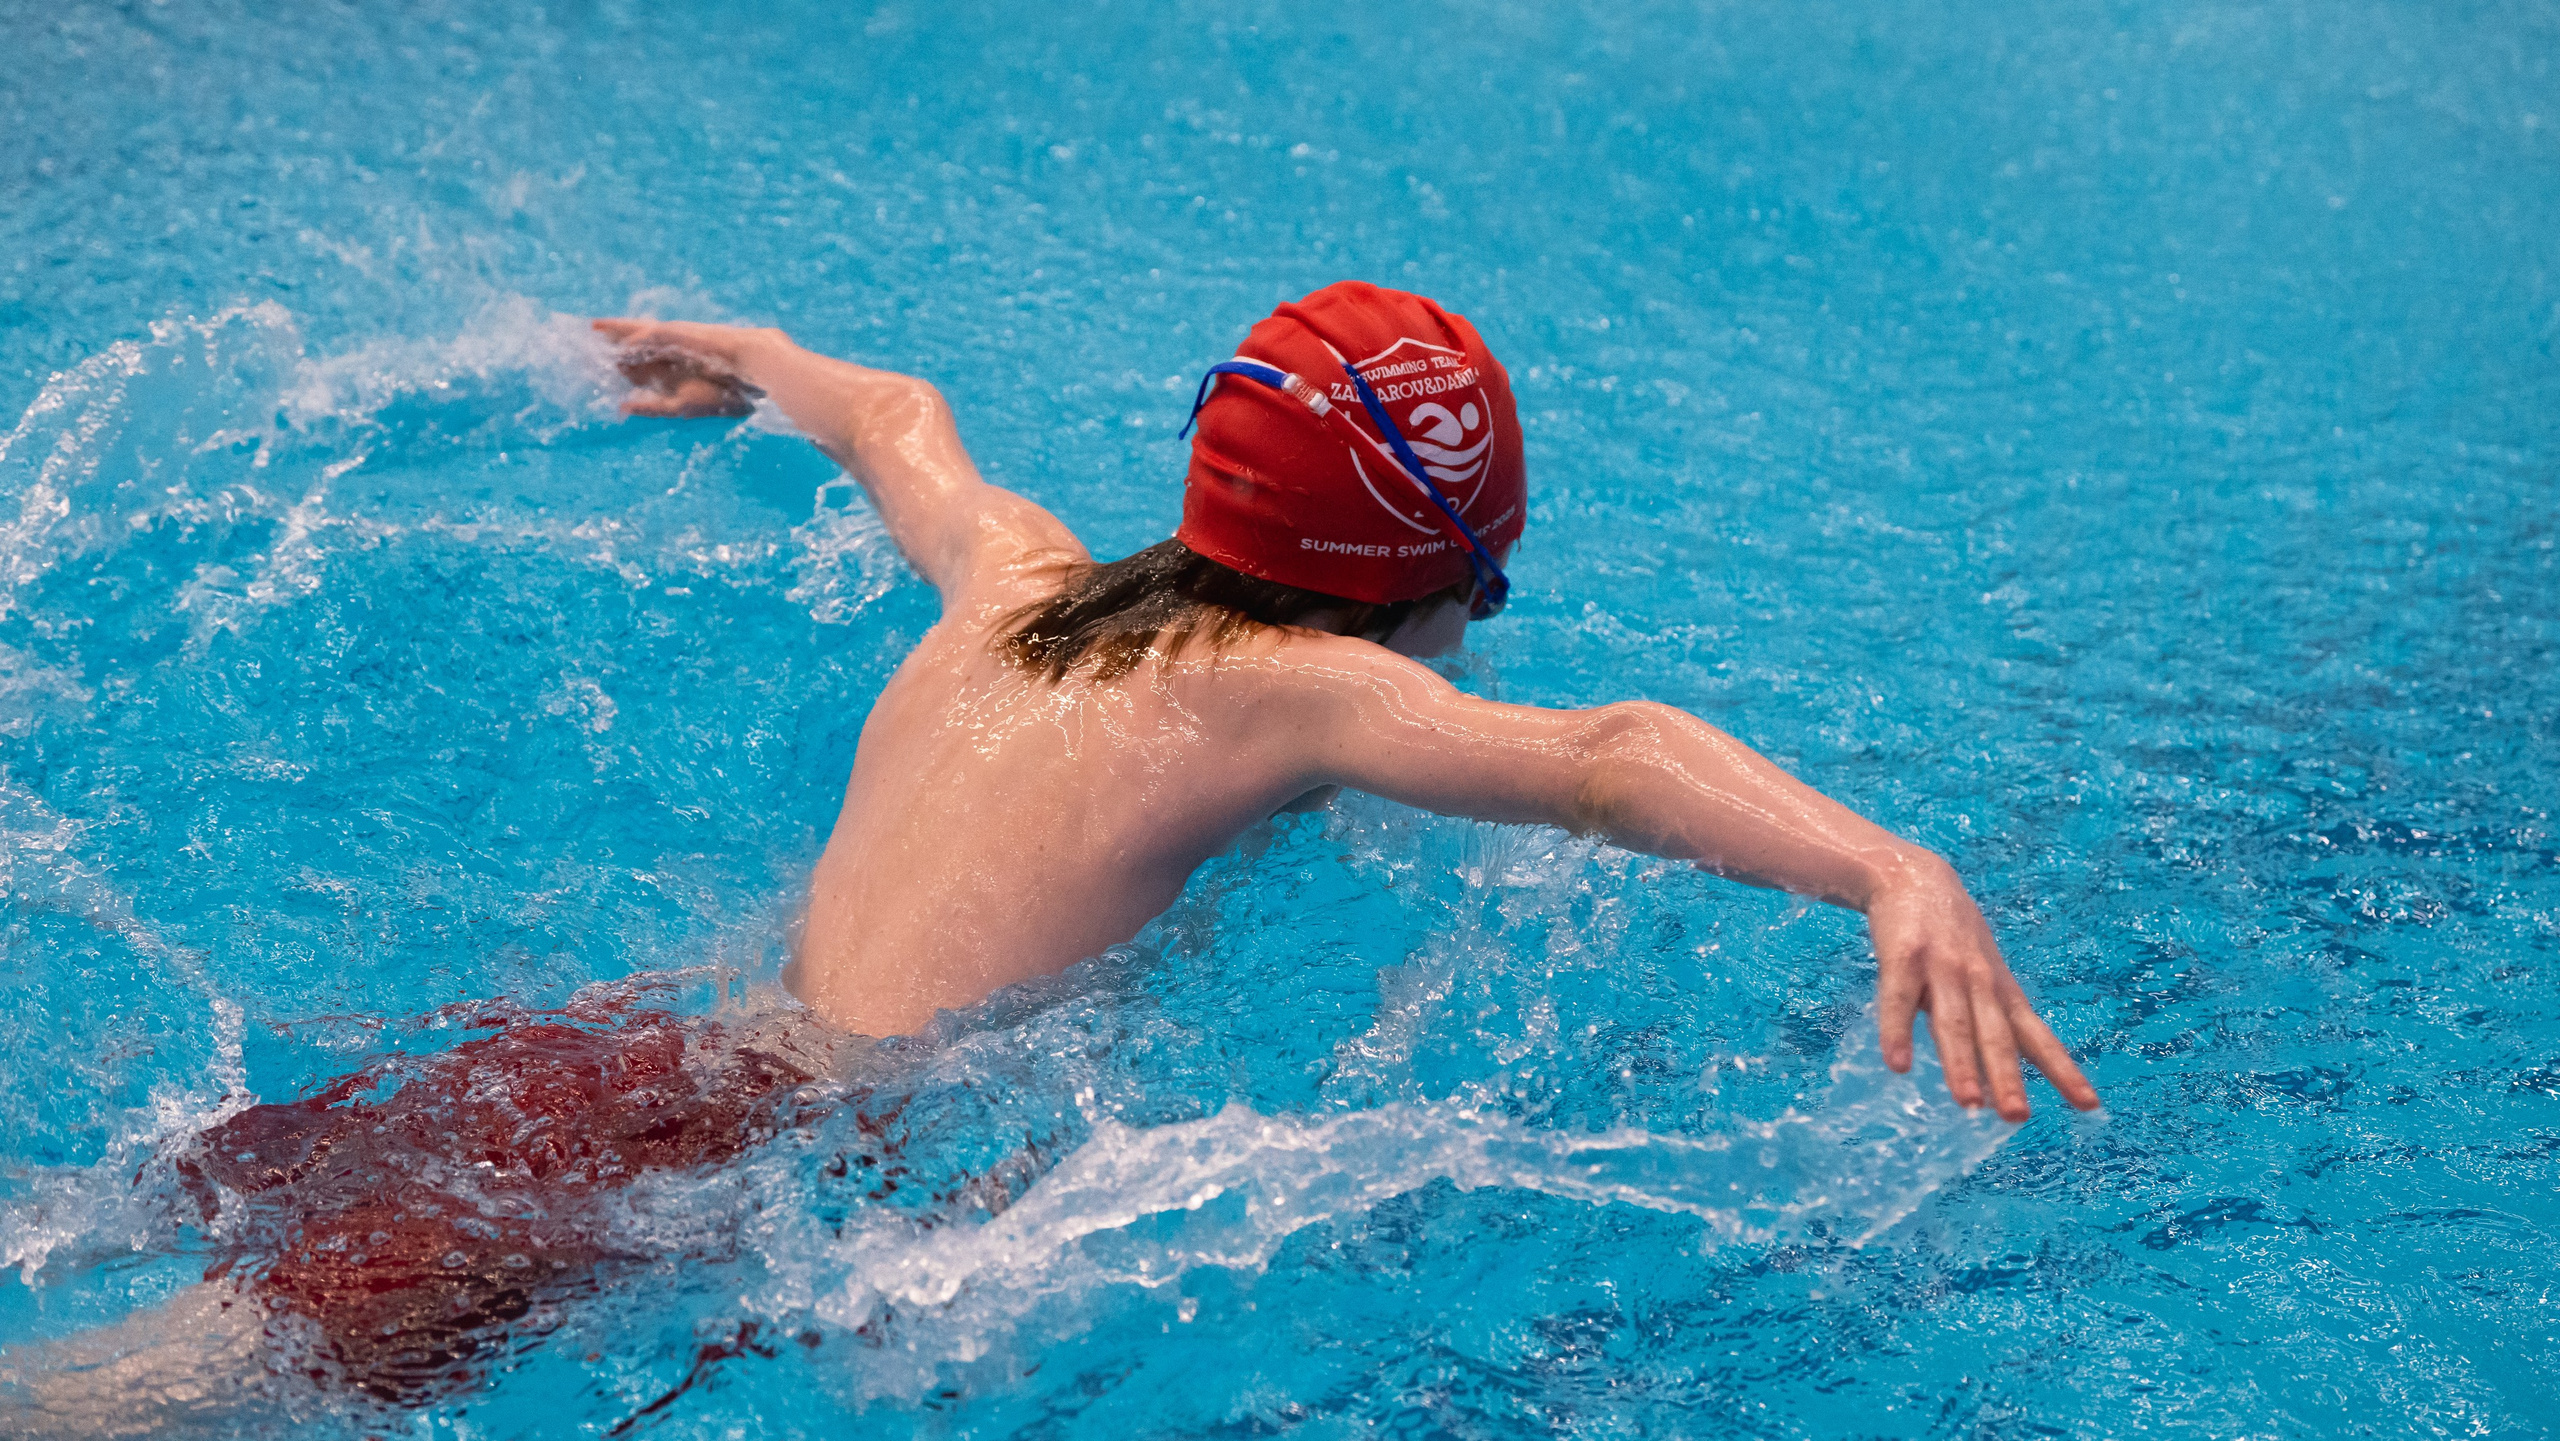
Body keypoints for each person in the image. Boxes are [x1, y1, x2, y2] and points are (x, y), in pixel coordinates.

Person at [599, 280, 2100, 1121]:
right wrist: (1891, 867)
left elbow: (891, 414)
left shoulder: (1017, 574)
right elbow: (1607, 760)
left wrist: (729, 357)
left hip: (653, 1048)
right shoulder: (1288, 691)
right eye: (1482, 591)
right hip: (806, 1151)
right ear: (1423, 591)